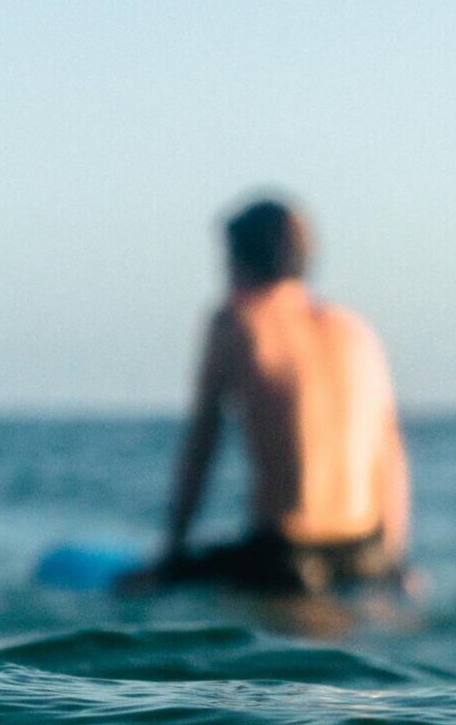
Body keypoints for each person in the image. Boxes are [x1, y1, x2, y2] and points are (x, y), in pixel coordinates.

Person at [134, 196, 411, 595]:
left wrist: (171, 553)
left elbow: (202, 444)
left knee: (134, 587)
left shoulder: (238, 321)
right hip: (367, 553)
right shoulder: (354, 330)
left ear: (237, 261)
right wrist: (394, 561)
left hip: (286, 557)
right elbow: (390, 451)